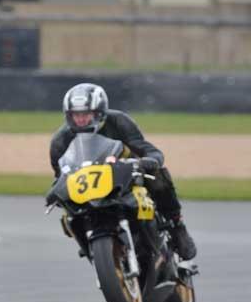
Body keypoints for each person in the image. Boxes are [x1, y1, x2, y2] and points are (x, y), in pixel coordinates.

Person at [49, 83, 197, 260]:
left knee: (158, 175)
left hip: (126, 177)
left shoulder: (119, 122)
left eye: (85, 114)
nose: (80, 120)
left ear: (99, 113)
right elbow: (61, 174)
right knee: (68, 216)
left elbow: (148, 150)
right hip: (90, 192)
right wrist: (56, 191)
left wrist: (148, 161)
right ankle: (92, 248)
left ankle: (176, 225)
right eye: (75, 115)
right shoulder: (60, 140)